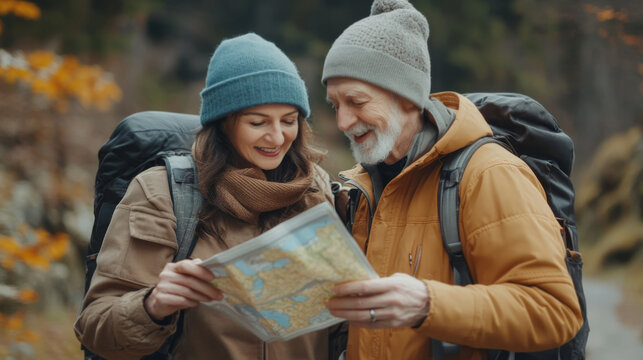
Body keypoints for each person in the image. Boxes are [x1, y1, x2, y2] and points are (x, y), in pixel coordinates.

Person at [321, 1, 583, 359]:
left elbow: (554, 310)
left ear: (407, 97)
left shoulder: (489, 173)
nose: (343, 122)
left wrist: (428, 304)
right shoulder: (358, 189)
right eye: (336, 105)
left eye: (357, 101)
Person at [75, 33, 334, 360]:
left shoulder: (315, 190)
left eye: (289, 120)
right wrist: (154, 305)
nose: (277, 137)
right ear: (223, 123)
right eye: (258, 122)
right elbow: (97, 328)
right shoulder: (162, 193)